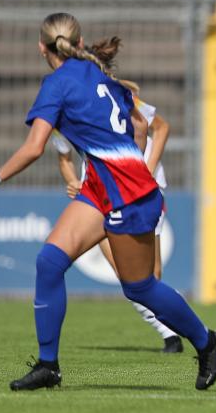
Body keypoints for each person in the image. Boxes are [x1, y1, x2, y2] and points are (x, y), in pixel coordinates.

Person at [0, 13, 216, 391]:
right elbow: (142, 125)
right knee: (49, 262)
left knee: (139, 287)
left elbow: (34, 148)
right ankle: (48, 366)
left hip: (127, 193)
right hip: (106, 187)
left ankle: (208, 341)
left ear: (41, 48)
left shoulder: (57, 84)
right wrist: (131, 162)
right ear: (80, 44)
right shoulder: (98, 73)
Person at [52, 75, 183, 353]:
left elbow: (160, 127)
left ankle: (185, 328)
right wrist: (73, 181)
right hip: (101, 194)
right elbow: (64, 158)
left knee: (150, 275)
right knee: (127, 274)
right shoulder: (58, 116)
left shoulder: (119, 96)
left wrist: (146, 170)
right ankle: (172, 334)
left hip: (143, 190)